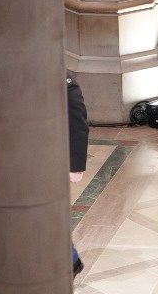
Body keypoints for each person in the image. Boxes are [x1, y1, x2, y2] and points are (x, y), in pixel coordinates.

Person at [67, 73, 89, 278]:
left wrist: (75, 165)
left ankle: (72, 261)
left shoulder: (65, 81)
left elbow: (78, 123)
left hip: (51, 161)